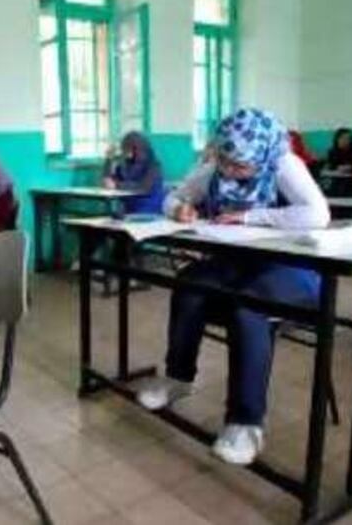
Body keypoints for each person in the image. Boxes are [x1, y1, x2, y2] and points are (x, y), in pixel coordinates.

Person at [136, 108, 330, 466]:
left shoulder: (283, 164)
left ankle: (246, 422)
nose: (228, 170)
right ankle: (179, 378)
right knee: (190, 282)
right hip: (237, 265)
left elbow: (318, 214)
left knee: (248, 305)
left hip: (291, 270)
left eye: (239, 165)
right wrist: (179, 209)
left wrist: (248, 216)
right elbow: (172, 196)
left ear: (262, 153)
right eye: (224, 159)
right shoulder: (215, 167)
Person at [102, 131, 165, 215]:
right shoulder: (126, 163)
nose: (126, 152)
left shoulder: (153, 165)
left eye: (129, 148)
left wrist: (117, 185)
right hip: (129, 209)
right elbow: (111, 181)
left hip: (148, 209)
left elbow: (144, 187)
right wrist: (108, 160)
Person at [323, 127, 352, 197]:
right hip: (337, 183)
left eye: (348, 139)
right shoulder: (332, 152)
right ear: (337, 139)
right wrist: (337, 168)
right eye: (342, 138)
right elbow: (329, 167)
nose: (345, 141)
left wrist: (351, 168)